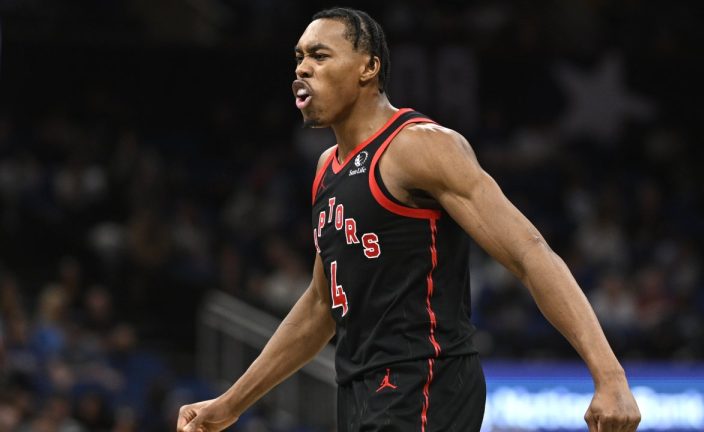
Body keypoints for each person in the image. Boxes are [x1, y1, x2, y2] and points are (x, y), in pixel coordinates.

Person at [177, 7, 641, 432]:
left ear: (368, 66)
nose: (302, 68)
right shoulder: (326, 170)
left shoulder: (420, 146)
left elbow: (528, 252)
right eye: (299, 57)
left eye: (320, 55)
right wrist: (231, 404)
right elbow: (322, 307)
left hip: (424, 381)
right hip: (360, 391)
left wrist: (610, 376)